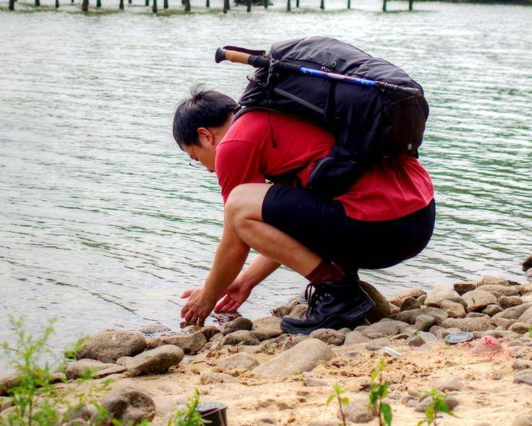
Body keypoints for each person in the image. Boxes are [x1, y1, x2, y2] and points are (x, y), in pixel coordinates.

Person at [173, 85, 435, 334]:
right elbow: (288, 229)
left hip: (382, 230)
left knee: (239, 203)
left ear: (205, 135)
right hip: (417, 221)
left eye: (195, 158)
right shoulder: (280, 117)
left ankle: (338, 294)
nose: (207, 168)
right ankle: (341, 287)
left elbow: (235, 238)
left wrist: (208, 296)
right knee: (269, 204)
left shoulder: (234, 144)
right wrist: (246, 281)